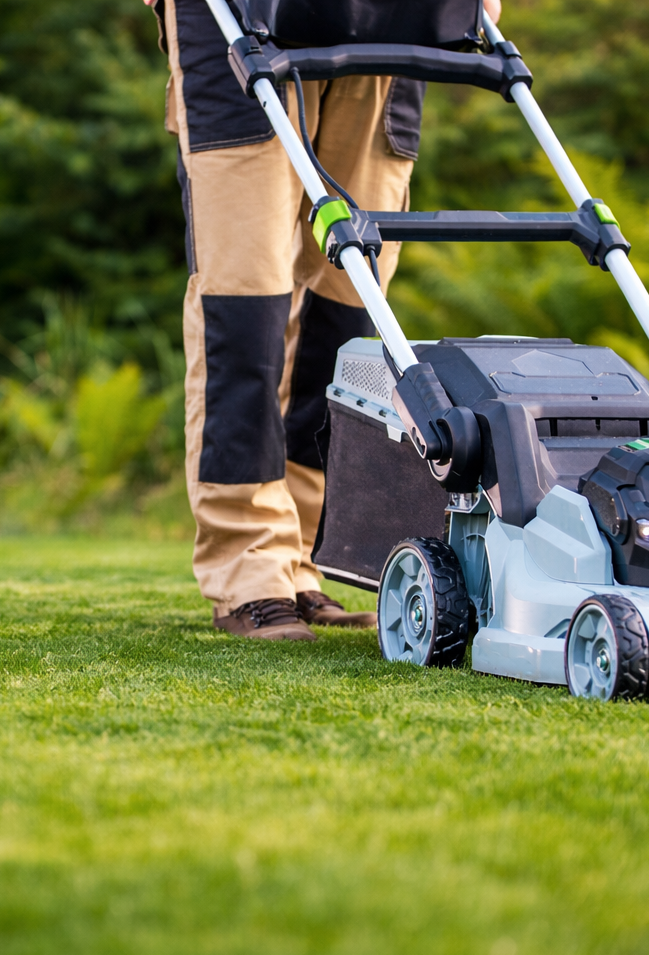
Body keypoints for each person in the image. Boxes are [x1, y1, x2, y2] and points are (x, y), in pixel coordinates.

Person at [148, 0, 501, 640]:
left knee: (345, 312)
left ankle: (300, 557)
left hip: (385, 21)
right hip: (235, 19)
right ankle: (249, 567)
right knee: (244, 307)